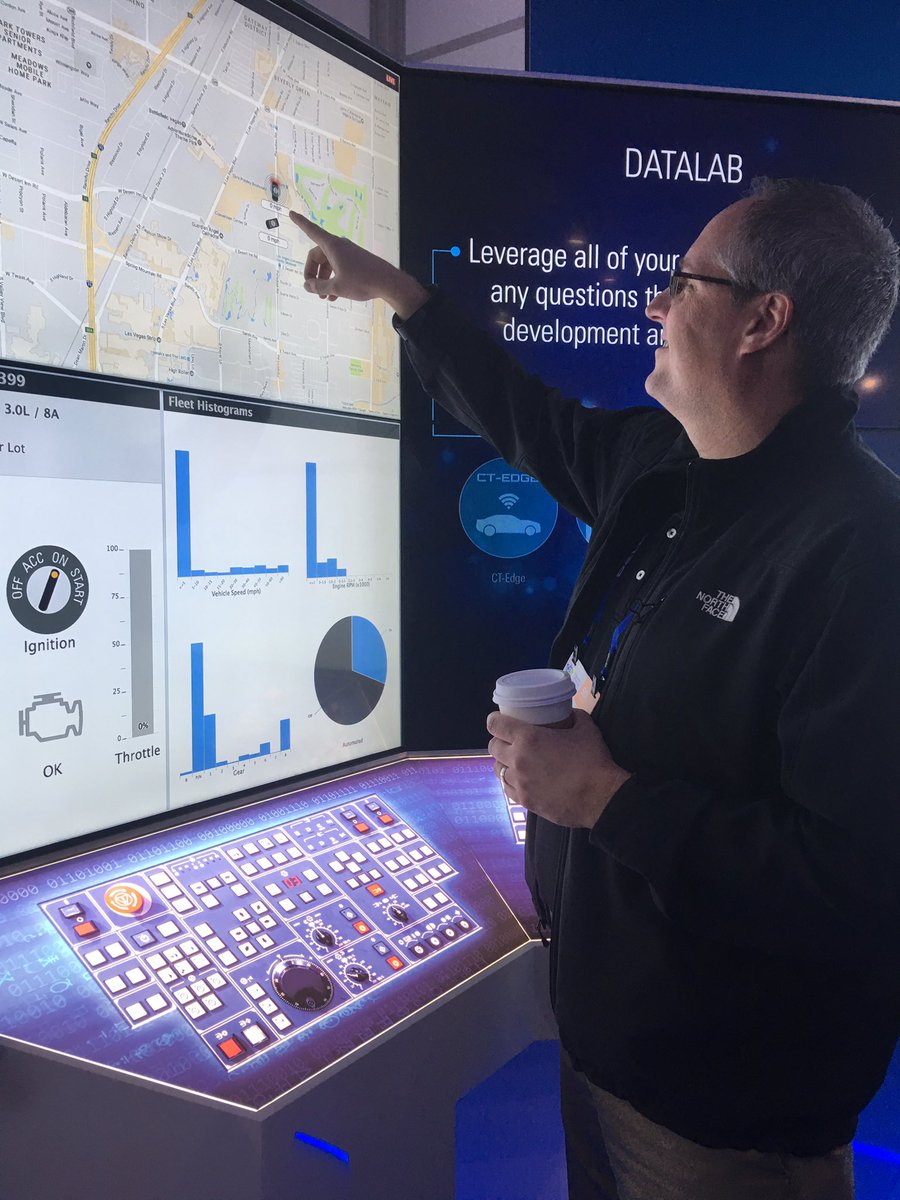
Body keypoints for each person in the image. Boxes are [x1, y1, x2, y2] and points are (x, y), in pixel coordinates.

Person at [289, 178, 900, 1200]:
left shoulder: (864, 553)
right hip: (604, 1053)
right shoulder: (662, 464)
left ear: (762, 322)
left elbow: (855, 889)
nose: (655, 305)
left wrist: (605, 798)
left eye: (683, 284)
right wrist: (396, 291)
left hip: (728, 1120)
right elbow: (522, 413)